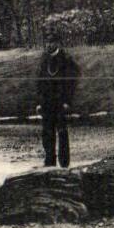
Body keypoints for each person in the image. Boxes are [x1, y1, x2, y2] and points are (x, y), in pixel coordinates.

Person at [36, 31, 80, 168]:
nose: (49, 45)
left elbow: (72, 83)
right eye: (47, 42)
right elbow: (39, 83)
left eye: (52, 42)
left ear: (58, 43)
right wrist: (39, 102)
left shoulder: (66, 59)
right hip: (47, 102)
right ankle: (49, 161)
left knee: (62, 132)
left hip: (60, 102)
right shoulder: (44, 60)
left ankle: (64, 162)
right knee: (47, 132)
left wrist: (67, 101)